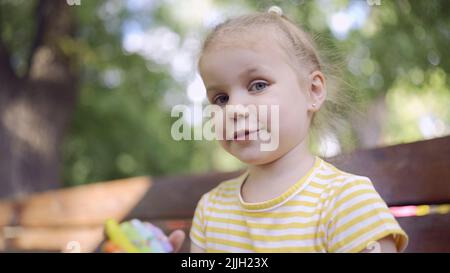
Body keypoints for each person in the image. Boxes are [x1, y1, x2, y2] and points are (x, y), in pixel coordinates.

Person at [169, 6, 408, 253]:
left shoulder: (346, 201)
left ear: (312, 91)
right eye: (220, 98)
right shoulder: (211, 209)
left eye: (258, 85)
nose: (234, 109)